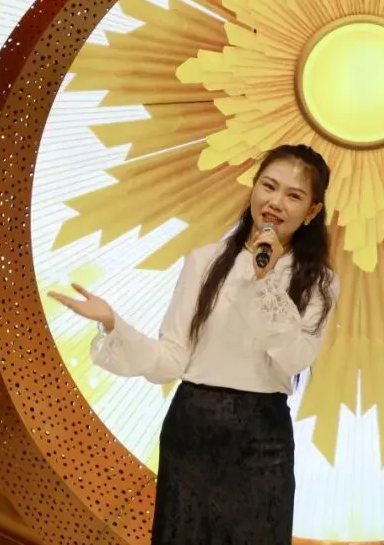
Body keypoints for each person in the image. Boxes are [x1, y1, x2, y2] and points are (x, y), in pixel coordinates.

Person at [48, 143, 339, 545]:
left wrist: (265, 281)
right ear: (254, 187)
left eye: (293, 195)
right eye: (269, 186)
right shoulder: (204, 261)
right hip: (193, 429)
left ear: (311, 211)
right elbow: (171, 359)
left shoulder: (320, 282)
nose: (275, 202)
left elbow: (294, 358)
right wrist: (115, 324)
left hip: (263, 439)